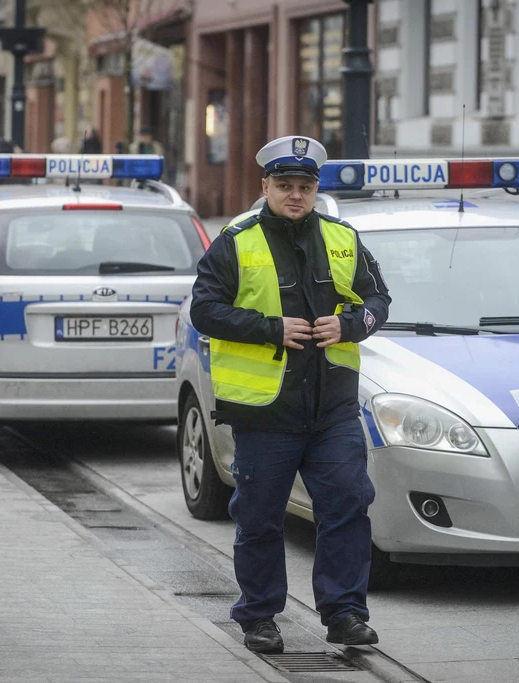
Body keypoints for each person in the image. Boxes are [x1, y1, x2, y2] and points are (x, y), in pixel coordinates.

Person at [190, 135, 391, 654]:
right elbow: (204, 310)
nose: (295, 195)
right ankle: (258, 616)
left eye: (304, 186)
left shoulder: (343, 237)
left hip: (333, 409)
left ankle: (345, 614)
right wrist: (269, 328)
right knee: (259, 517)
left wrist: (350, 325)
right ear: (266, 187)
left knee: (347, 505)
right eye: (284, 186)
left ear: (316, 188)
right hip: (264, 412)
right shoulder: (236, 239)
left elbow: (377, 300)